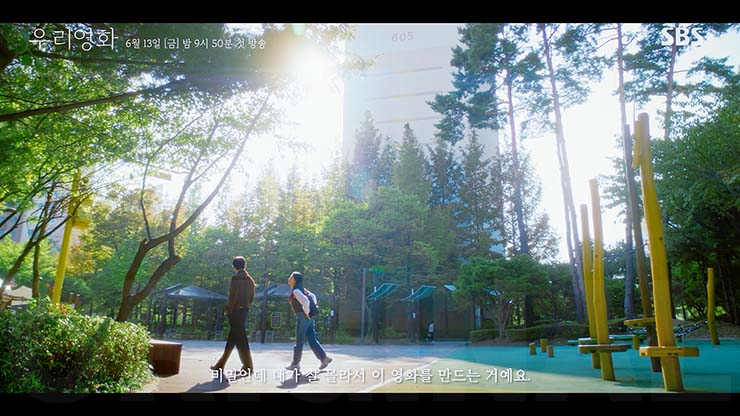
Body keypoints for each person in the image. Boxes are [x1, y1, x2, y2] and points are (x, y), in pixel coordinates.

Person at [211, 256, 255, 373]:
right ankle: (222, 364)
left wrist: (230, 308)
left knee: (239, 338)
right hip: (244, 310)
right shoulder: (250, 279)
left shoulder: (236, 278)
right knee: (235, 337)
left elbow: (233, 295)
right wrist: (246, 305)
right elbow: (251, 296)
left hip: (235, 311)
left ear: (234, 266)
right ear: (244, 265)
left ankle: (247, 366)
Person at [285, 271, 332, 372]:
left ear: (294, 280)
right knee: (312, 339)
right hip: (308, 317)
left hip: (302, 317)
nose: (289, 279)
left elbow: (306, 301)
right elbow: (313, 297)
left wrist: (306, 312)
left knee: (299, 341)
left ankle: (295, 364)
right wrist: (310, 311)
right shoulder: (303, 290)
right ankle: (324, 358)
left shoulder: (296, 291)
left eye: (291, 277)